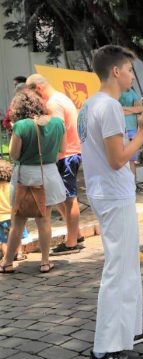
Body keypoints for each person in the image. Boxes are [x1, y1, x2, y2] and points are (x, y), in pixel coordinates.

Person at [79, 45, 143, 359]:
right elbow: (116, 160)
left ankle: (127, 330)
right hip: (113, 194)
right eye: (128, 69)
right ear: (115, 71)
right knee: (119, 269)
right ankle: (105, 351)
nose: (131, 75)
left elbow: (109, 153)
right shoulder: (110, 106)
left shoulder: (89, 105)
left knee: (127, 265)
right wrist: (142, 133)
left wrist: (142, 137)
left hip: (106, 191)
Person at [0, 89, 65, 274]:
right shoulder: (58, 123)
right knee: (44, 221)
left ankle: (7, 263)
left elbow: (14, 155)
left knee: (18, 222)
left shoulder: (21, 126)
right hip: (49, 173)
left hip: (25, 176)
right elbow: (62, 149)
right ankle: (45, 262)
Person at [25, 74, 84, 256]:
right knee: (61, 198)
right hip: (68, 154)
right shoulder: (60, 98)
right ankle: (76, 234)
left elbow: (56, 129)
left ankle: (72, 242)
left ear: (38, 88)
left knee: (68, 198)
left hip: (65, 155)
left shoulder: (53, 103)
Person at [0, 159, 29, 262]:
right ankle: (19, 253)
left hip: (1, 218)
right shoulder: (12, 187)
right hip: (13, 216)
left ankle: (6, 256)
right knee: (17, 236)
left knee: (4, 240)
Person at [119, 87, 143, 175]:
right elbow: (117, 110)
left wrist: (124, 108)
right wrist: (133, 110)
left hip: (132, 129)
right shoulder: (116, 91)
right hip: (119, 129)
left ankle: (133, 181)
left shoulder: (132, 92)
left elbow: (140, 109)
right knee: (121, 158)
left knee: (132, 159)